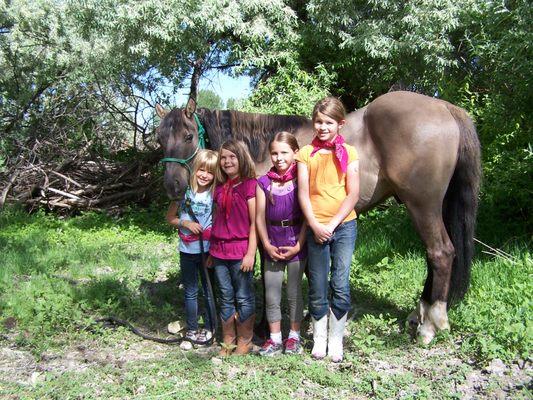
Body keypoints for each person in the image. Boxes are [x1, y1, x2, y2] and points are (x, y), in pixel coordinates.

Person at [296, 97, 360, 362]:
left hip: (344, 226)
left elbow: (353, 193)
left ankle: (336, 340)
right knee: (318, 285)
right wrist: (315, 225)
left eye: (329, 123)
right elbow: (303, 194)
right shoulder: (304, 154)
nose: (322, 127)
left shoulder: (351, 153)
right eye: (318, 122)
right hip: (316, 227)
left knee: (340, 283)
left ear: (340, 124)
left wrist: (332, 225)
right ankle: (319, 338)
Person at [256, 132, 307, 356]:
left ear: (295, 153)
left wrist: (299, 244)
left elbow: (308, 215)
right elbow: (258, 217)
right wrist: (266, 245)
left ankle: (294, 337)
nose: (279, 158)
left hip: (296, 241)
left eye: (284, 152)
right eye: (274, 153)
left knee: (294, 292)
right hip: (273, 243)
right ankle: (275, 338)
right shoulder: (263, 182)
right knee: (272, 292)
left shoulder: (302, 179)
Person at [209, 139, 257, 356]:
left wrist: (250, 253)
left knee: (243, 296)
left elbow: (255, 222)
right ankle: (228, 340)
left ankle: (245, 340)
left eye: (232, 157)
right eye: (224, 157)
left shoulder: (249, 185)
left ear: (242, 158)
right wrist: (211, 251)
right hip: (219, 251)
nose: (227, 161)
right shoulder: (218, 188)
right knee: (225, 295)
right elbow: (215, 220)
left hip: (240, 251)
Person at [166, 149, 219, 346]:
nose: (205, 175)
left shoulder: (215, 194)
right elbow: (170, 218)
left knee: (209, 290)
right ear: (194, 169)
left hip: (207, 251)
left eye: (210, 172)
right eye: (201, 170)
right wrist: (186, 224)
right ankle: (192, 329)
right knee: (190, 291)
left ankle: (211, 328)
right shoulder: (184, 193)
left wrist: (214, 250)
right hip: (187, 251)